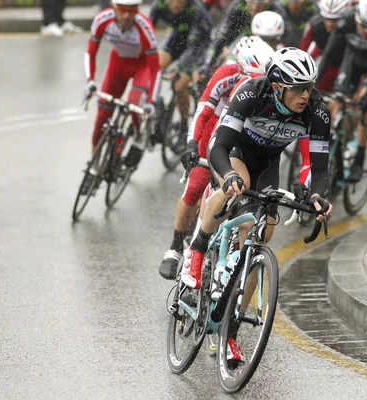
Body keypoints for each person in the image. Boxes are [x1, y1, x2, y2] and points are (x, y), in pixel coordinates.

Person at [181, 48, 332, 362]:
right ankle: (197, 249)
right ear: (277, 86)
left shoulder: (317, 111)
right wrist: (230, 174)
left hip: (268, 163)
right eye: (299, 89)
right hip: (233, 151)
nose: (306, 94)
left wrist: (316, 196)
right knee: (236, 190)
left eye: (310, 87)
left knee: (261, 236)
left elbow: (318, 168)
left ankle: (231, 333)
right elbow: (218, 145)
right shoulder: (251, 93)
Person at [158, 37, 275, 279]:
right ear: (242, 68)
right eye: (253, 77)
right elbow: (202, 111)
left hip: (243, 138)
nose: (258, 84)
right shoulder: (226, 74)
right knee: (195, 187)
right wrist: (192, 144)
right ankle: (176, 246)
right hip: (215, 131)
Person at [81, 0, 161, 193]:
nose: (126, 16)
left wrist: (150, 102)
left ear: (137, 11)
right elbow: (90, 53)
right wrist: (90, 81)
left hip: (141, 66)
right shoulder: (102, 20)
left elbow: (155, 68)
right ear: (114, 8)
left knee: (134, 102)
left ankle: (138, 136)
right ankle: (94, 167)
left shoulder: (144, 27)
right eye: (122, 10)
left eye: (131, 11)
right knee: (101, 118)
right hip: (118, 65)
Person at [318, 0, 367, 183]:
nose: (366, 31)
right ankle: (336, 152)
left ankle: (359, 158)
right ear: (356, 19)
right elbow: (327, 55)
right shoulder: (346, 21)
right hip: (352, 62)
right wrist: (312, 84)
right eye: (363, 26)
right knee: (335, 105)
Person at [150, 0, 213, 123]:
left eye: (179, 1)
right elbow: (147, 30)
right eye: (171, 1)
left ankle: (184, 125)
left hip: (198, 45)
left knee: (179, 84)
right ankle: (156, 102)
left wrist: (178, 68)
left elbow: (192, 48)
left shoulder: (196, 10)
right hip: (178, 36)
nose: (175, 4)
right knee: (155, 64)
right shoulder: (159, 4)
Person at [194, 0, 288, 81]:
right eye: (251, 2)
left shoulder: (278, 11)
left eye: (259, 4)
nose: (255, 8)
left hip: (270, 49)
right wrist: (207, 64)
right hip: (237, 43)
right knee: (222, 58)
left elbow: (289, 40)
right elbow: (221, 35)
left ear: (268, 2)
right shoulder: (237, 6)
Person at [300, 0, 355, 92]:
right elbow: (302, 51)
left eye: (335, 20)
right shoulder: (314, 24)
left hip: (347, 61)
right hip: (326, 59)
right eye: (326, 18)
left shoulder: (352, 26)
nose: (330, 24)